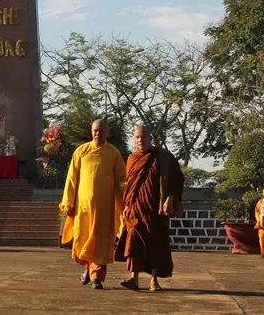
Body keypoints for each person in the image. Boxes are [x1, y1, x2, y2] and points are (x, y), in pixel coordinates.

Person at [115, 125, 184, 292]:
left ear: (150, 138)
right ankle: (134, 278)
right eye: (137, 137)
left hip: (156, 208)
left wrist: (169, 199)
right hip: (136, 207)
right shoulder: (132, 158)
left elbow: (177, 179)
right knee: (134, 239)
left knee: (155, 243)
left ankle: (154, 281)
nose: (140, 140)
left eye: (143, 136)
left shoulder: (163, 156)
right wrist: (127, 205)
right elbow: (129, 185)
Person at [60, 119, 126, 290]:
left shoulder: (113, 153)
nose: (98, 134)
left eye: (101, 131)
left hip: (104, 208)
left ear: (107, 133)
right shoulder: (81, 151)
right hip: (83, 207)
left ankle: (96, 277)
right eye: (95, 130)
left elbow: (121, 178)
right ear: (91, 131)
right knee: (82, 240)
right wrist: (68, 202)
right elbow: (72, 178)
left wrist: (126, 189)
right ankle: (88, 270)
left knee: (100, 242)